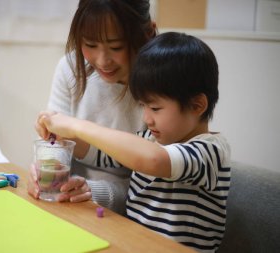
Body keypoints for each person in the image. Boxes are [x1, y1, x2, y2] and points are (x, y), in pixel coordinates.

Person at [36, 32, 231, 253]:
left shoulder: (210, 151)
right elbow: (106, 155)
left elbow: (153, 160)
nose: (147, 118)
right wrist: (65, 136)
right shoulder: (152, 138)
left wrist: (76, 126)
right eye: (143, 107)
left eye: (155, 108)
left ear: (197, 105)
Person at [28, 0, 157, 215]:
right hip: (72, 205)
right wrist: (47, 170)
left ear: (147, 33)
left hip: (133, 217)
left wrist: (95, 191)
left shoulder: (161, 86)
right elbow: (56, 146)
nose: (103, 60)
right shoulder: (70, 69)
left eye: (116, 47)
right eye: (90, 44)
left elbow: (155, 181)